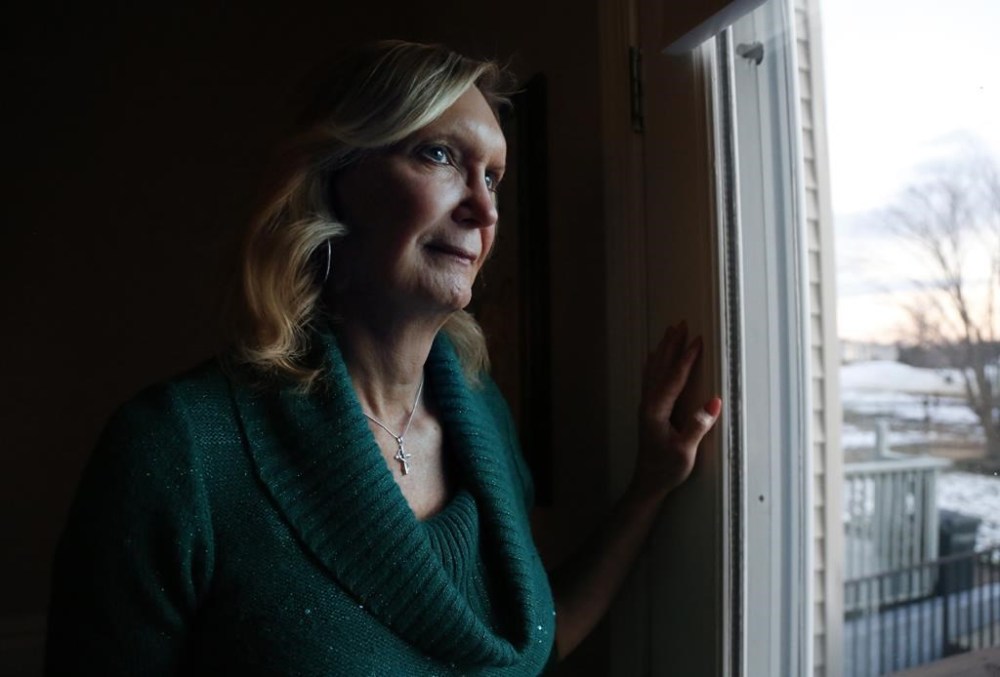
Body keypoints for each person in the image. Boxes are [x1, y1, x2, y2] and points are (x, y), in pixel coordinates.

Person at [45, 40, 722, 675]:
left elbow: (531, 645)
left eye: (495, 177)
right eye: (437, 155)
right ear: (334, 179)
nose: (483, 207)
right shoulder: (175, 448)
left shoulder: (483, 415)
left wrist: (651, 484)